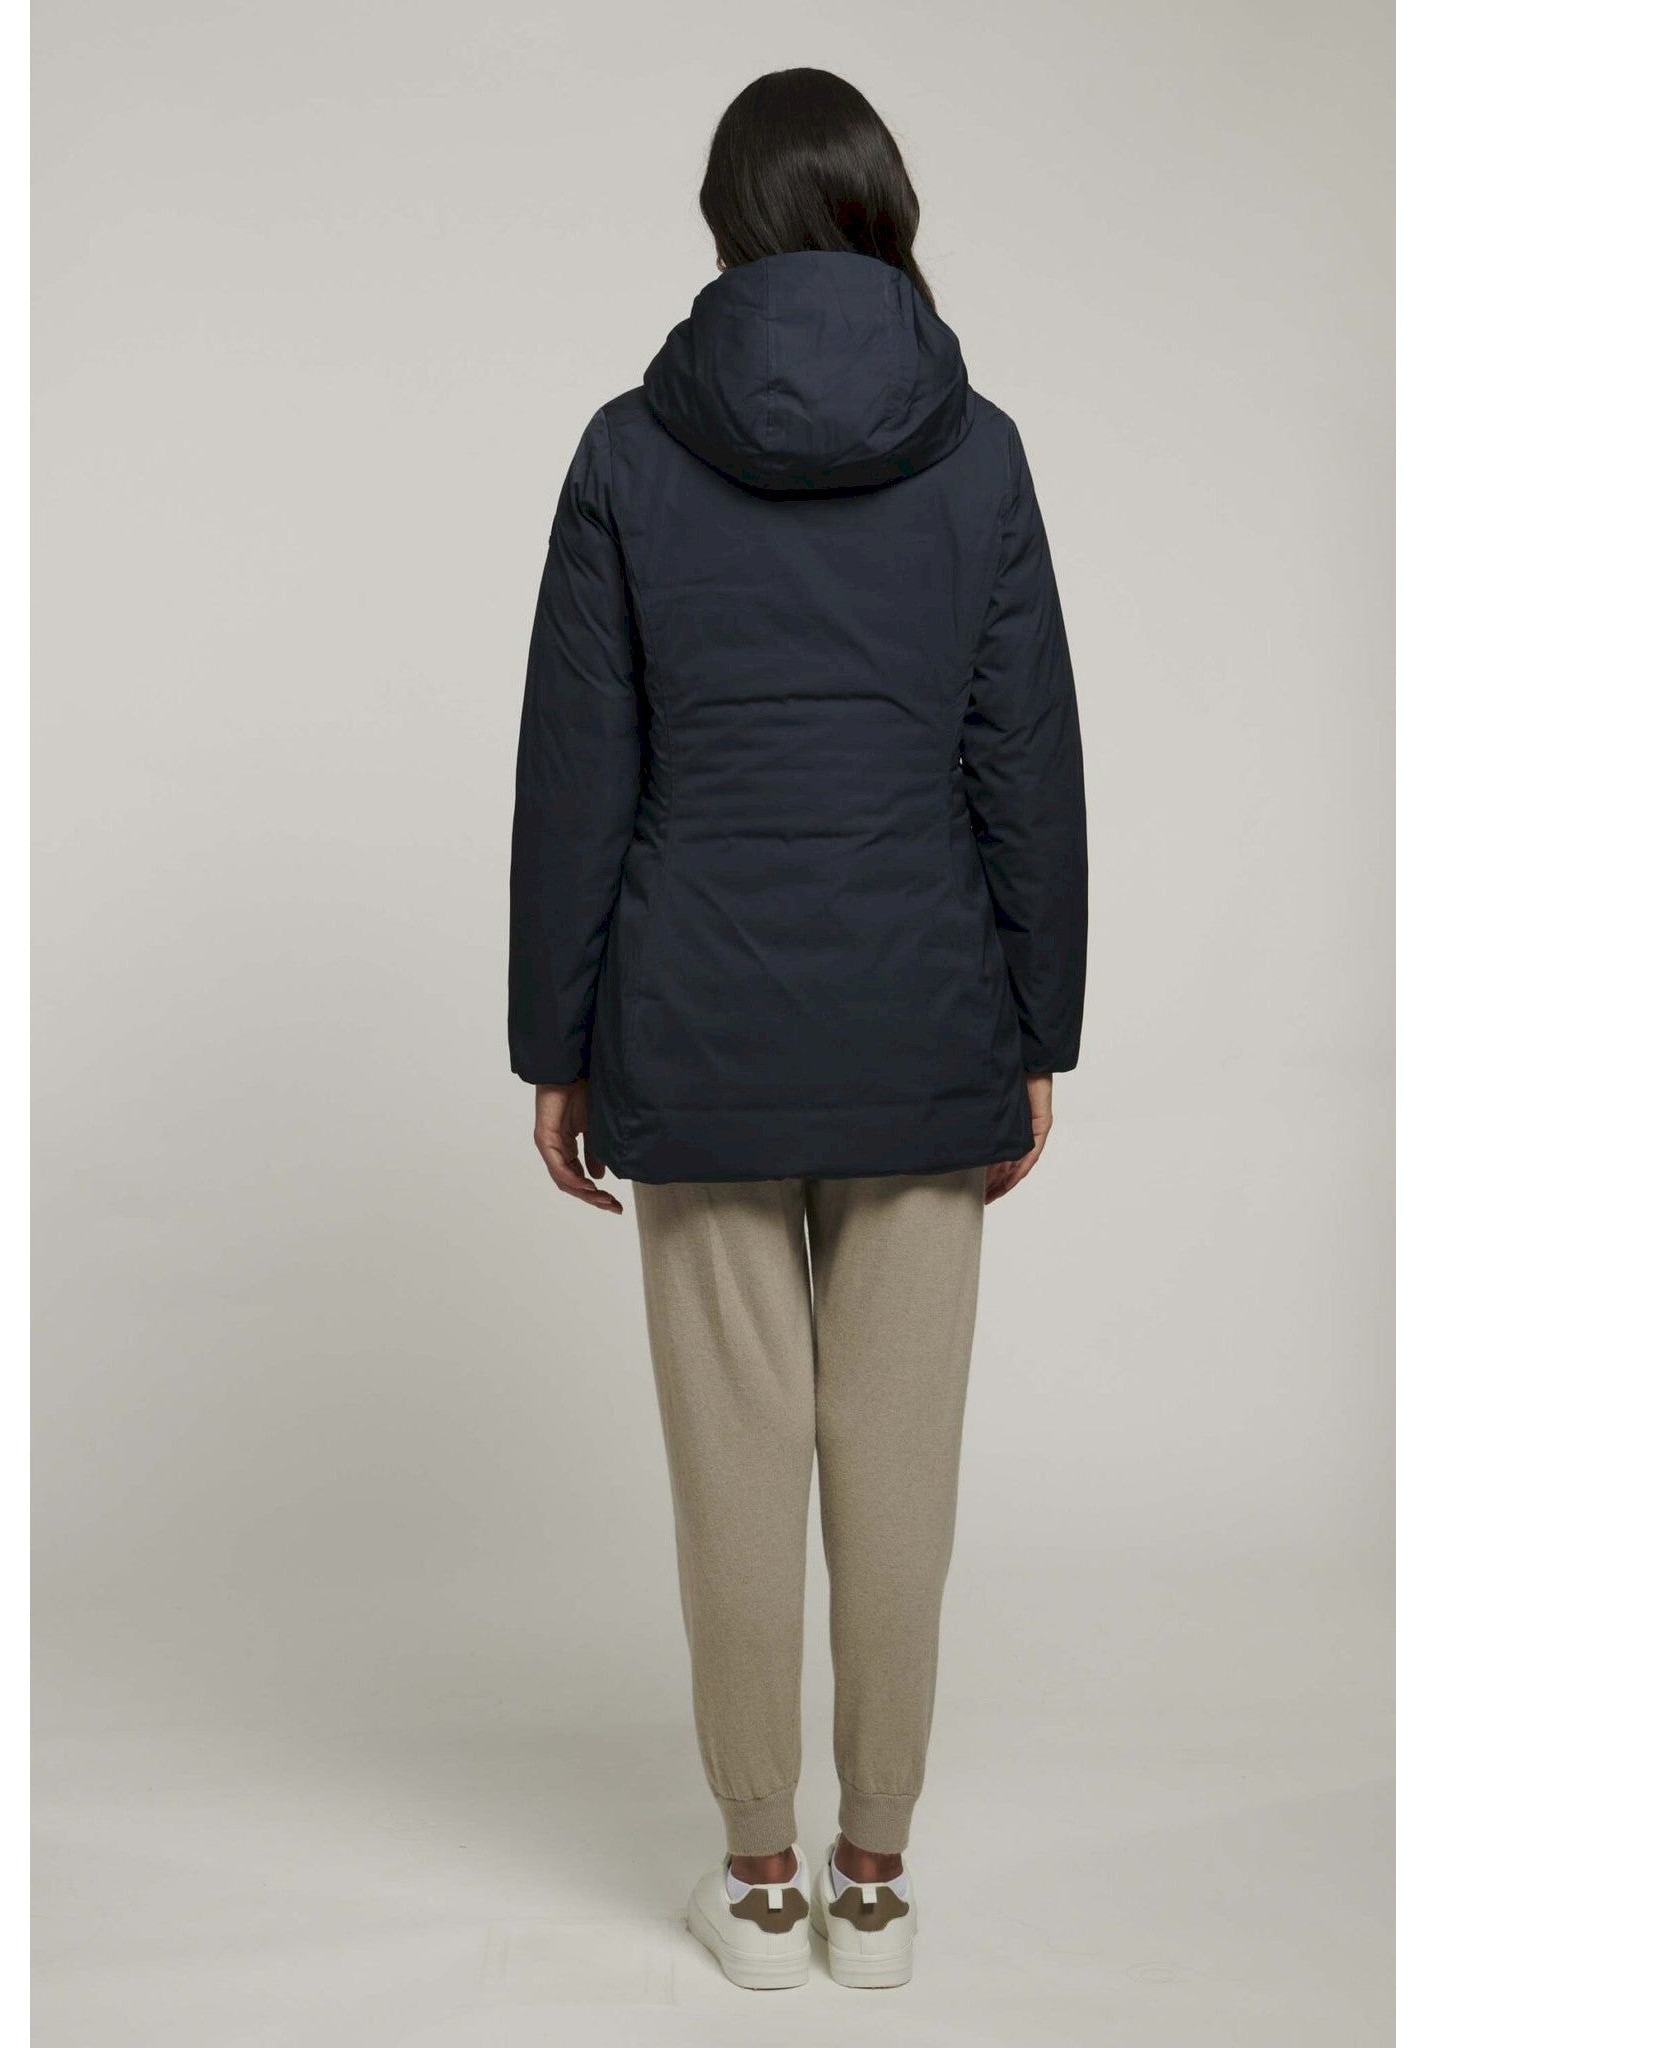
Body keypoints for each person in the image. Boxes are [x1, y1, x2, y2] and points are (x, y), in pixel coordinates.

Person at [507, 67, 1087, 1991]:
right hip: (924, 1021)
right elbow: (1026, 763)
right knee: (899, 1465)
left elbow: (580, 771)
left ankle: (758, 1882)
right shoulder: (981, 455)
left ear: (725, 221)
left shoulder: (626, 451)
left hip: (693, 1024)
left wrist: (555, 1044)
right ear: (884, 205)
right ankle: (877, 1880)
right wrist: (1038, 1028)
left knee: (734, 1464)